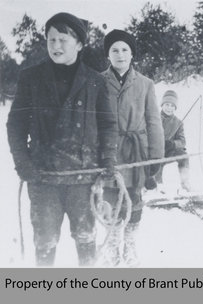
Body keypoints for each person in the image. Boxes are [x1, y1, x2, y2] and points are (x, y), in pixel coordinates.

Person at [6, 12, 118, 266]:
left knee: (86, 237)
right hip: (44, 178)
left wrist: (108, 161)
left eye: (62, 40)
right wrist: (23, 164)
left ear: (79, 44)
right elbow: (16, 125)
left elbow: (108, 125)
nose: (55, 46)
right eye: (51, 39)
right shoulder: (31, 78)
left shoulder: (95, 82)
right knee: (45, 241)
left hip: (84, 178)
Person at [102, 29, 164, 266]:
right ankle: (111, 247)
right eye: (114, 50)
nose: (120, 54)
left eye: (125, 49)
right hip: (108, 152)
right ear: (108, 54)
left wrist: (155, 158)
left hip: (136, 151)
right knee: (109, 199)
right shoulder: (97, 81)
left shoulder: (145, 84)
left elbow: (154, 121)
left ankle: (129, 246)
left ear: (132, 54)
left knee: (134, 200)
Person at [155, 90, 192, 193]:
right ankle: (157, 185)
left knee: (183, 155)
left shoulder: (178, 123)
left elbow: (182, 141)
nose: (169, 108)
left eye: (172, 106)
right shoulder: (153, 118)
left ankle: (185, 183)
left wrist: (172, 144)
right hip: (155, 151)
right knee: (157, 159)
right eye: (167, 104)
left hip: (169, 151)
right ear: (162, 105)